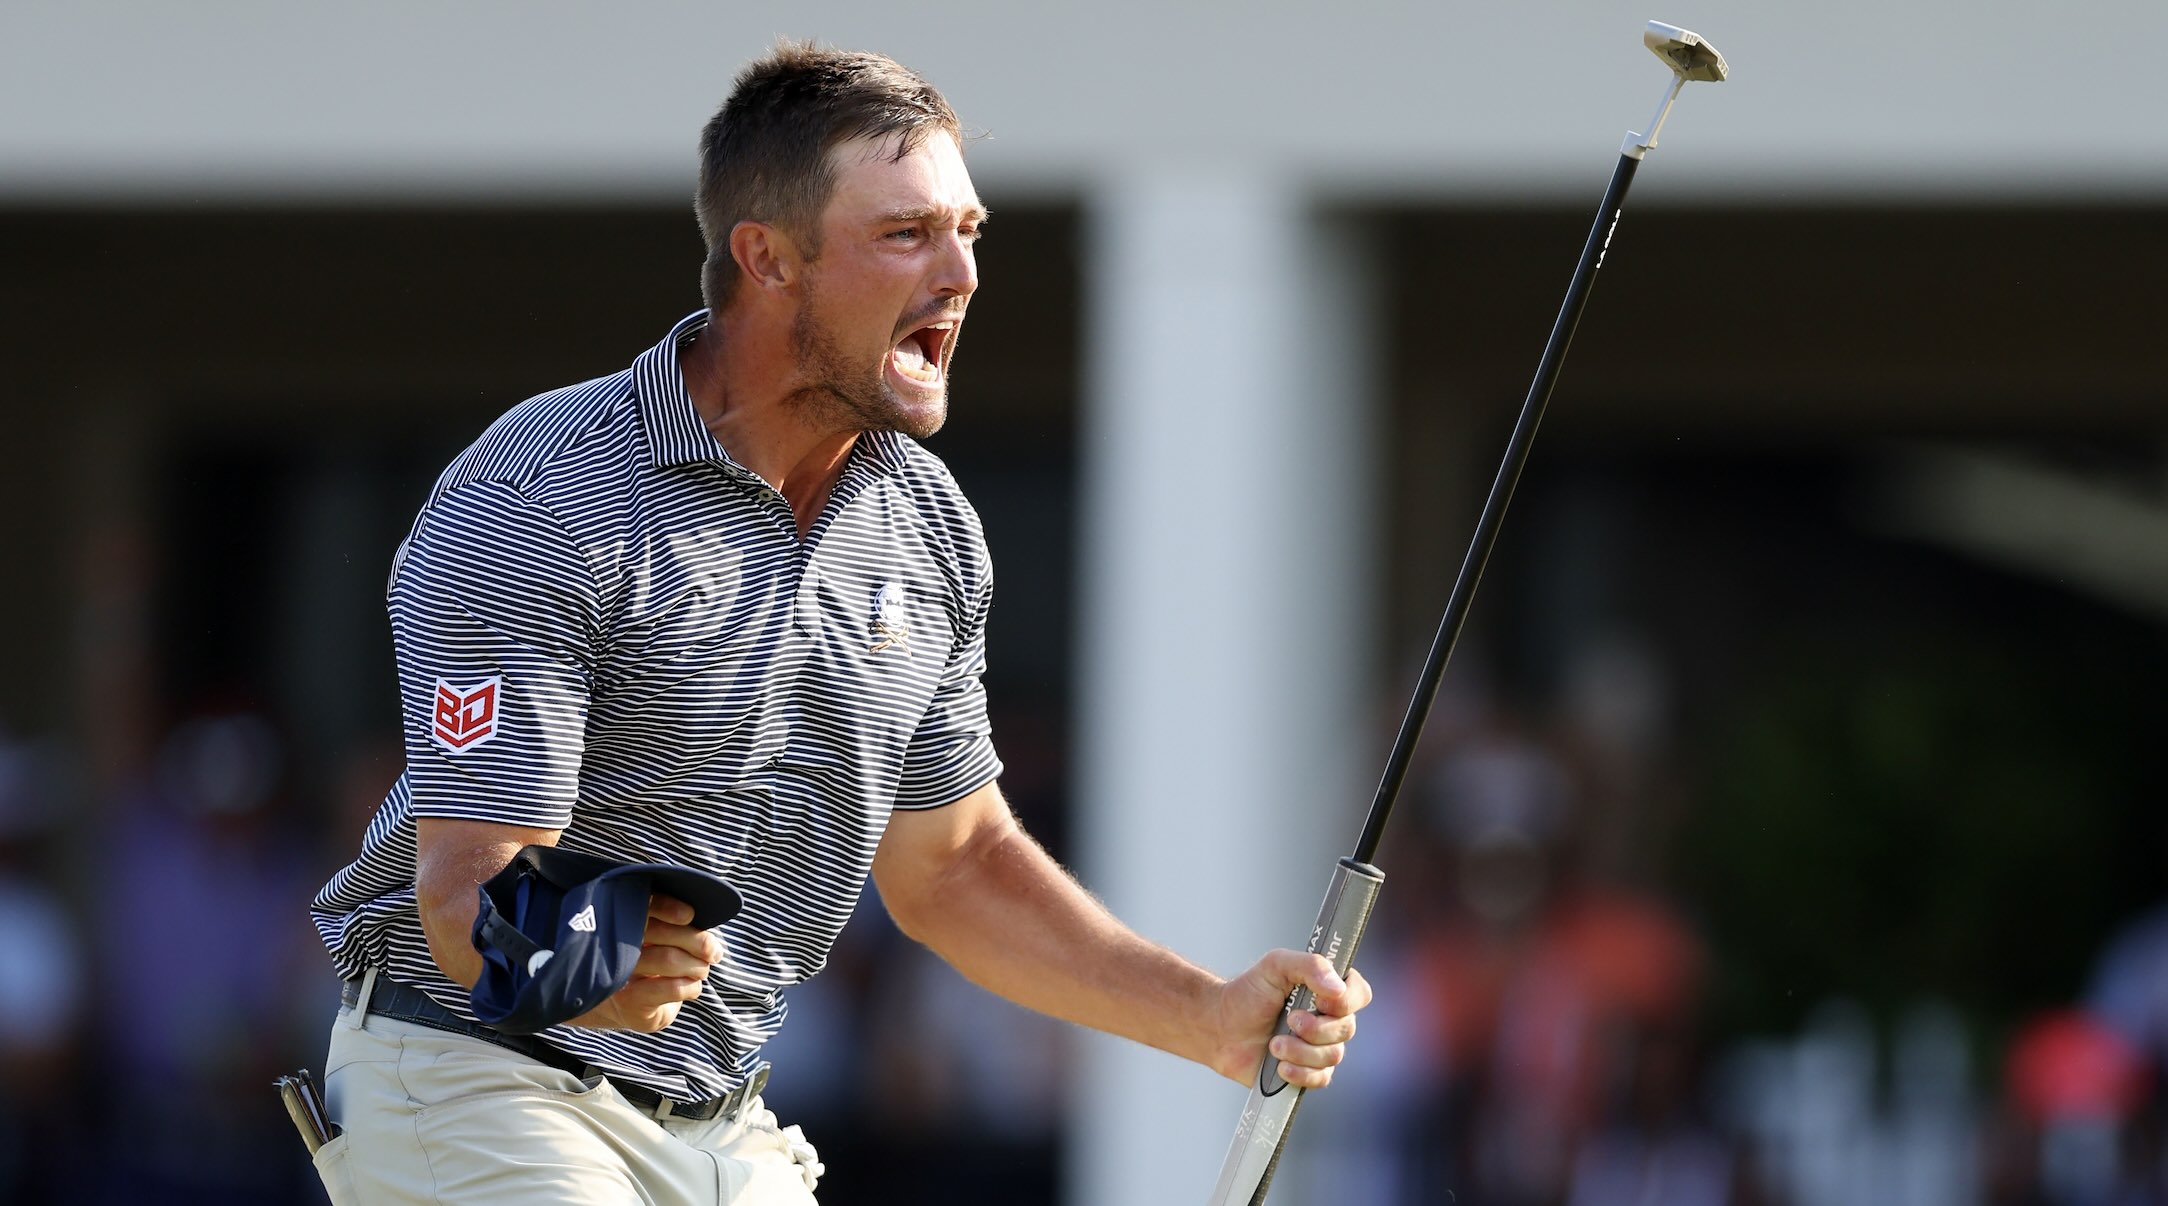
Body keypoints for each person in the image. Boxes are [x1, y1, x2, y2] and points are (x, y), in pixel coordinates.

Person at [307, 41, 1371, 1205]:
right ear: (767, 260)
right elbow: (464, 895)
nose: (961, 273)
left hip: (723, 1121)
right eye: (907, 234)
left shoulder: (928, 527)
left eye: (970, 230)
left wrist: (1206, 1018)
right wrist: (594, 957)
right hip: (475, 1078)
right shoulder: (541, 495)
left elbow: (954, 866)